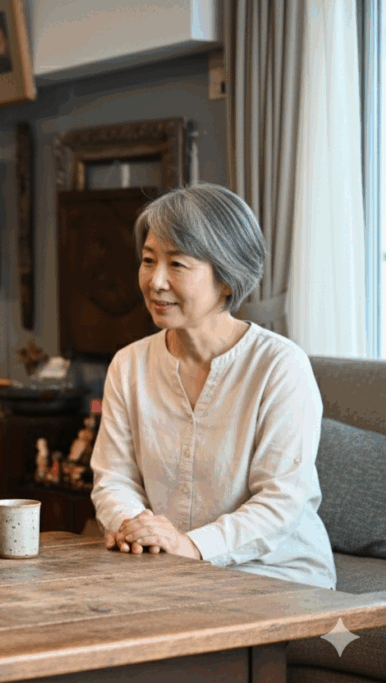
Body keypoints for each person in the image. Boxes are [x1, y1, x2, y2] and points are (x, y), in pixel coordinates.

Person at [89, 182, 335, 589]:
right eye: (148, 261)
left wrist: (190, 545)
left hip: (274, 573)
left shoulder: (280, 366)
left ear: (227, 277)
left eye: (177, 265)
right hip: (166, 567)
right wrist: (135, 527)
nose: (156, 282)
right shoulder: (129, 364)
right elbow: (114, 479)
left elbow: (280, 501)